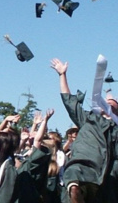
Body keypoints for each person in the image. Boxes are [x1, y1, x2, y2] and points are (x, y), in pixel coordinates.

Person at [50, 56, 118, 203]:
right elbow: (69, 102)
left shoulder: (115, 129)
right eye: (106, 103)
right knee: (73, 176)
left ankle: (77, 189)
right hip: (80, 163)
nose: (108, 105)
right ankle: (75, 189)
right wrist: (62, 75)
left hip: (101, 171)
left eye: (112, 105)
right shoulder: (88, 117)